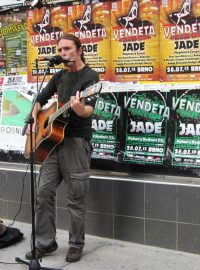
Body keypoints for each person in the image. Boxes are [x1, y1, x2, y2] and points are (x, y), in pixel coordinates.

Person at [25, 34, 99, 262]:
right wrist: (34, 118)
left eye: (67, 49)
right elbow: (40, 98)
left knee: (76, 198)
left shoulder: (91, 77)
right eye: (60, 49)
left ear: (79, 50)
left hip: (76, 143)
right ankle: (46, 242)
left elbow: (88, 111)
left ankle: (76, 244)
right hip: (52, 144)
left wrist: (78, 107)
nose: (63, 53)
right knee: (43, 192)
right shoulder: (58, 75)